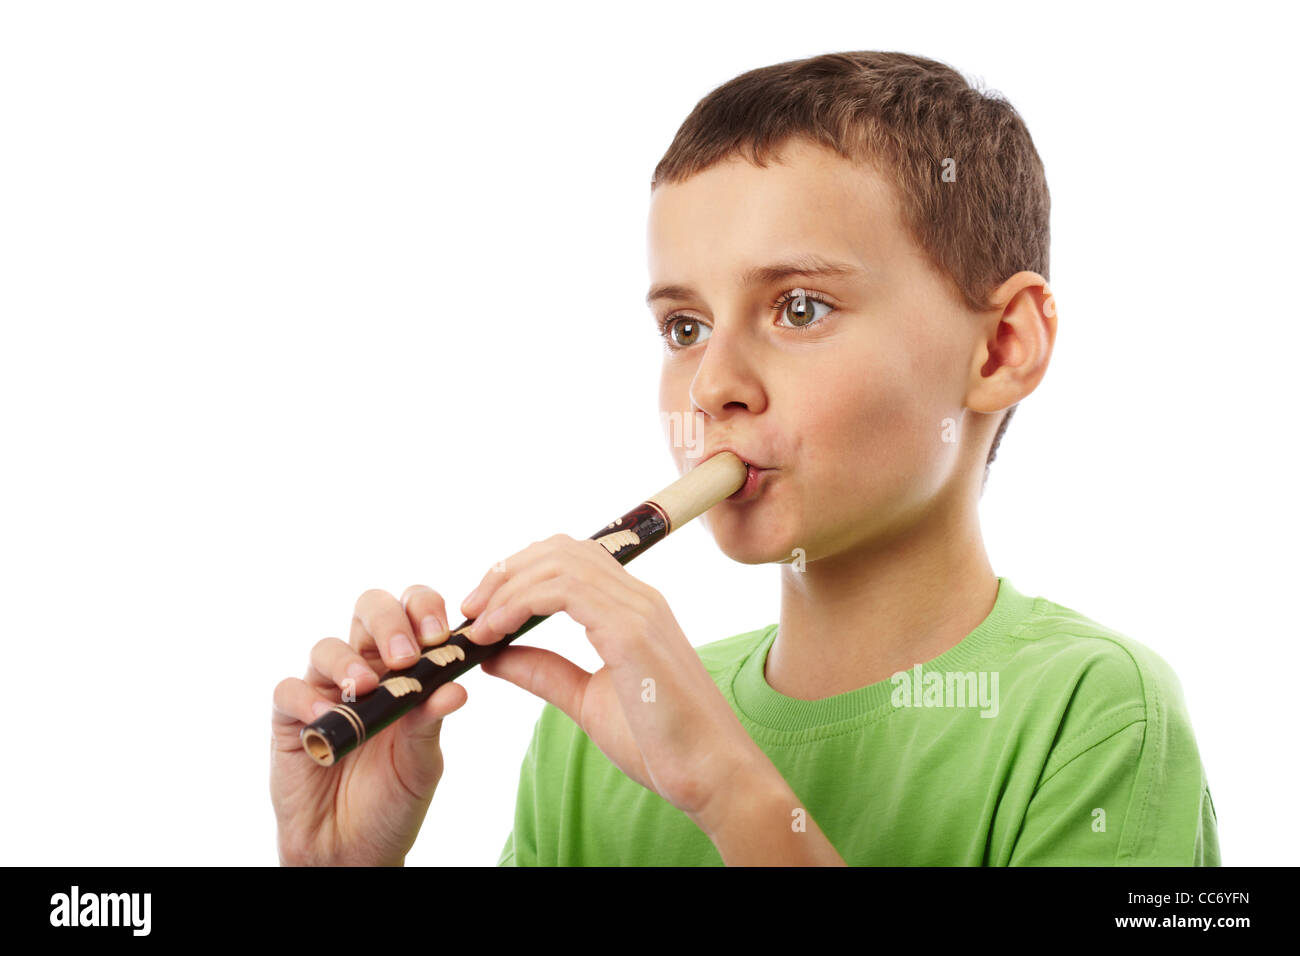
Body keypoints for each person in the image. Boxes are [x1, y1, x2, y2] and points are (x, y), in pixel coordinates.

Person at [270, 50, 1220, 866]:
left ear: (1001, 348)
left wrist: (733, 795)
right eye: (684, 325)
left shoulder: (1096, 717)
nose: (712, 384)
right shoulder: (598, 736)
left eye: (799, 307)